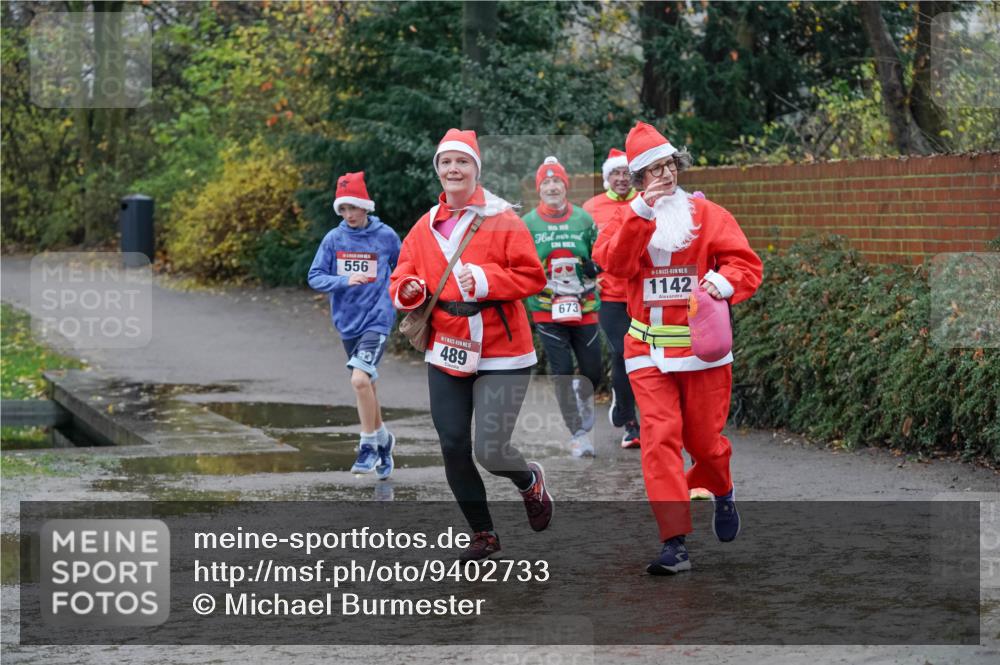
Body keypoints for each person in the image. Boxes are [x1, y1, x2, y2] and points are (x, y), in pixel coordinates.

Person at [594, 122, 763, 575]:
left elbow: (746, 265)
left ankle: (722, 489)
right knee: (659, 440)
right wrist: (642, 212)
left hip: (703, 351)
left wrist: (722, 281)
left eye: (669, 166)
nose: (665, 175)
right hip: (646, 351)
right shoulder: (627, 219)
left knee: (704, 443)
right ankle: (675, 542)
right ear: (638, 178)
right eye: (653, 170)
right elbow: (613, 263)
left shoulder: (710, 216)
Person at [389, 129, 553, 561]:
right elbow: (402, 274)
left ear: (475, 170)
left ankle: (528, 480)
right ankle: (484, 534)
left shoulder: (502, 218)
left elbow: (533, 276)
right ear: (438, 171)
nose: (453, 169)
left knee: (491, 450)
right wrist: (407, 289)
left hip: (503, 348)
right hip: (447, 347)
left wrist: (484, 281)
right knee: (452, 443)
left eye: (462, 162)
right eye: (445, 163)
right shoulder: (424, 226)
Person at [308, 172, 402, 480]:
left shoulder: (386, 236)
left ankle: (367, 446)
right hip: (347, 321)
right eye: (343, 209)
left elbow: (404, 270)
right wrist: (344, 280)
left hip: (378, 318)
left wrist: (400, 299)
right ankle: (385, 440)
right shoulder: (334, 239)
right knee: (368, 386)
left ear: (366, 207)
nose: (349, 214)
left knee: (360, 381)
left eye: (353, 207)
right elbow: (315, 276)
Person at [522, 156, 603, 458]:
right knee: (563, 372)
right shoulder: (528, 223)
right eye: (546, 182)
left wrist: (597, 266)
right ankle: (578, 434)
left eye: (557, 182)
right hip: (547, 309)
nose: (552, 187)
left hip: (585, 306)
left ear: (566, 187)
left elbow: (601, 251)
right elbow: (519, 261)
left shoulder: (583, 219)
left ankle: (583, 398)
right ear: (539, 189)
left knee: (592, 371)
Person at [584, 148, 641, 449]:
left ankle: (624, 406)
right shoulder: (592, 208)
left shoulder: (644, 203)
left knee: (636, 355)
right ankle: (630, 423)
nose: (621, 179)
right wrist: (588, 270)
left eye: (626, 173)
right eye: (616, 173)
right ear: (607, 177)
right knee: (624, 352)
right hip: (610, 295)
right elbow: (581, 249)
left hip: (641, 295)